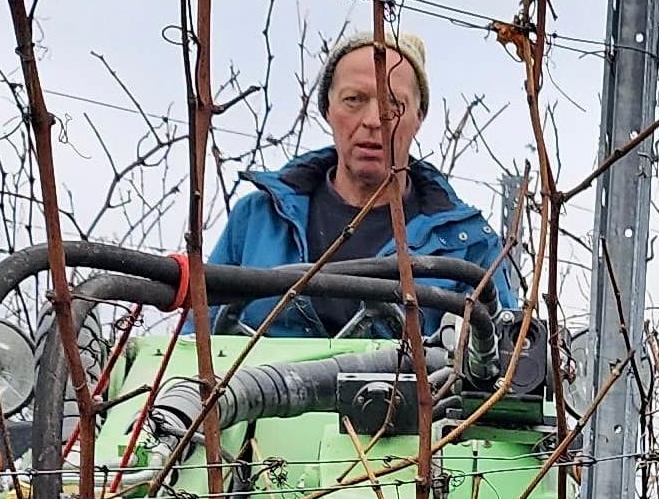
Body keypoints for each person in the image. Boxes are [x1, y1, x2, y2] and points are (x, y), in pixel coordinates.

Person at [203, 25, 516, 335]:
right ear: (327, 108)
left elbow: (504, 364)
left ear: (419, 117)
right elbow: (194, 342)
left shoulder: (468, 245)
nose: (372, 121)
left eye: (394, 104)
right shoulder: (257, 221)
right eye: (354, 99)